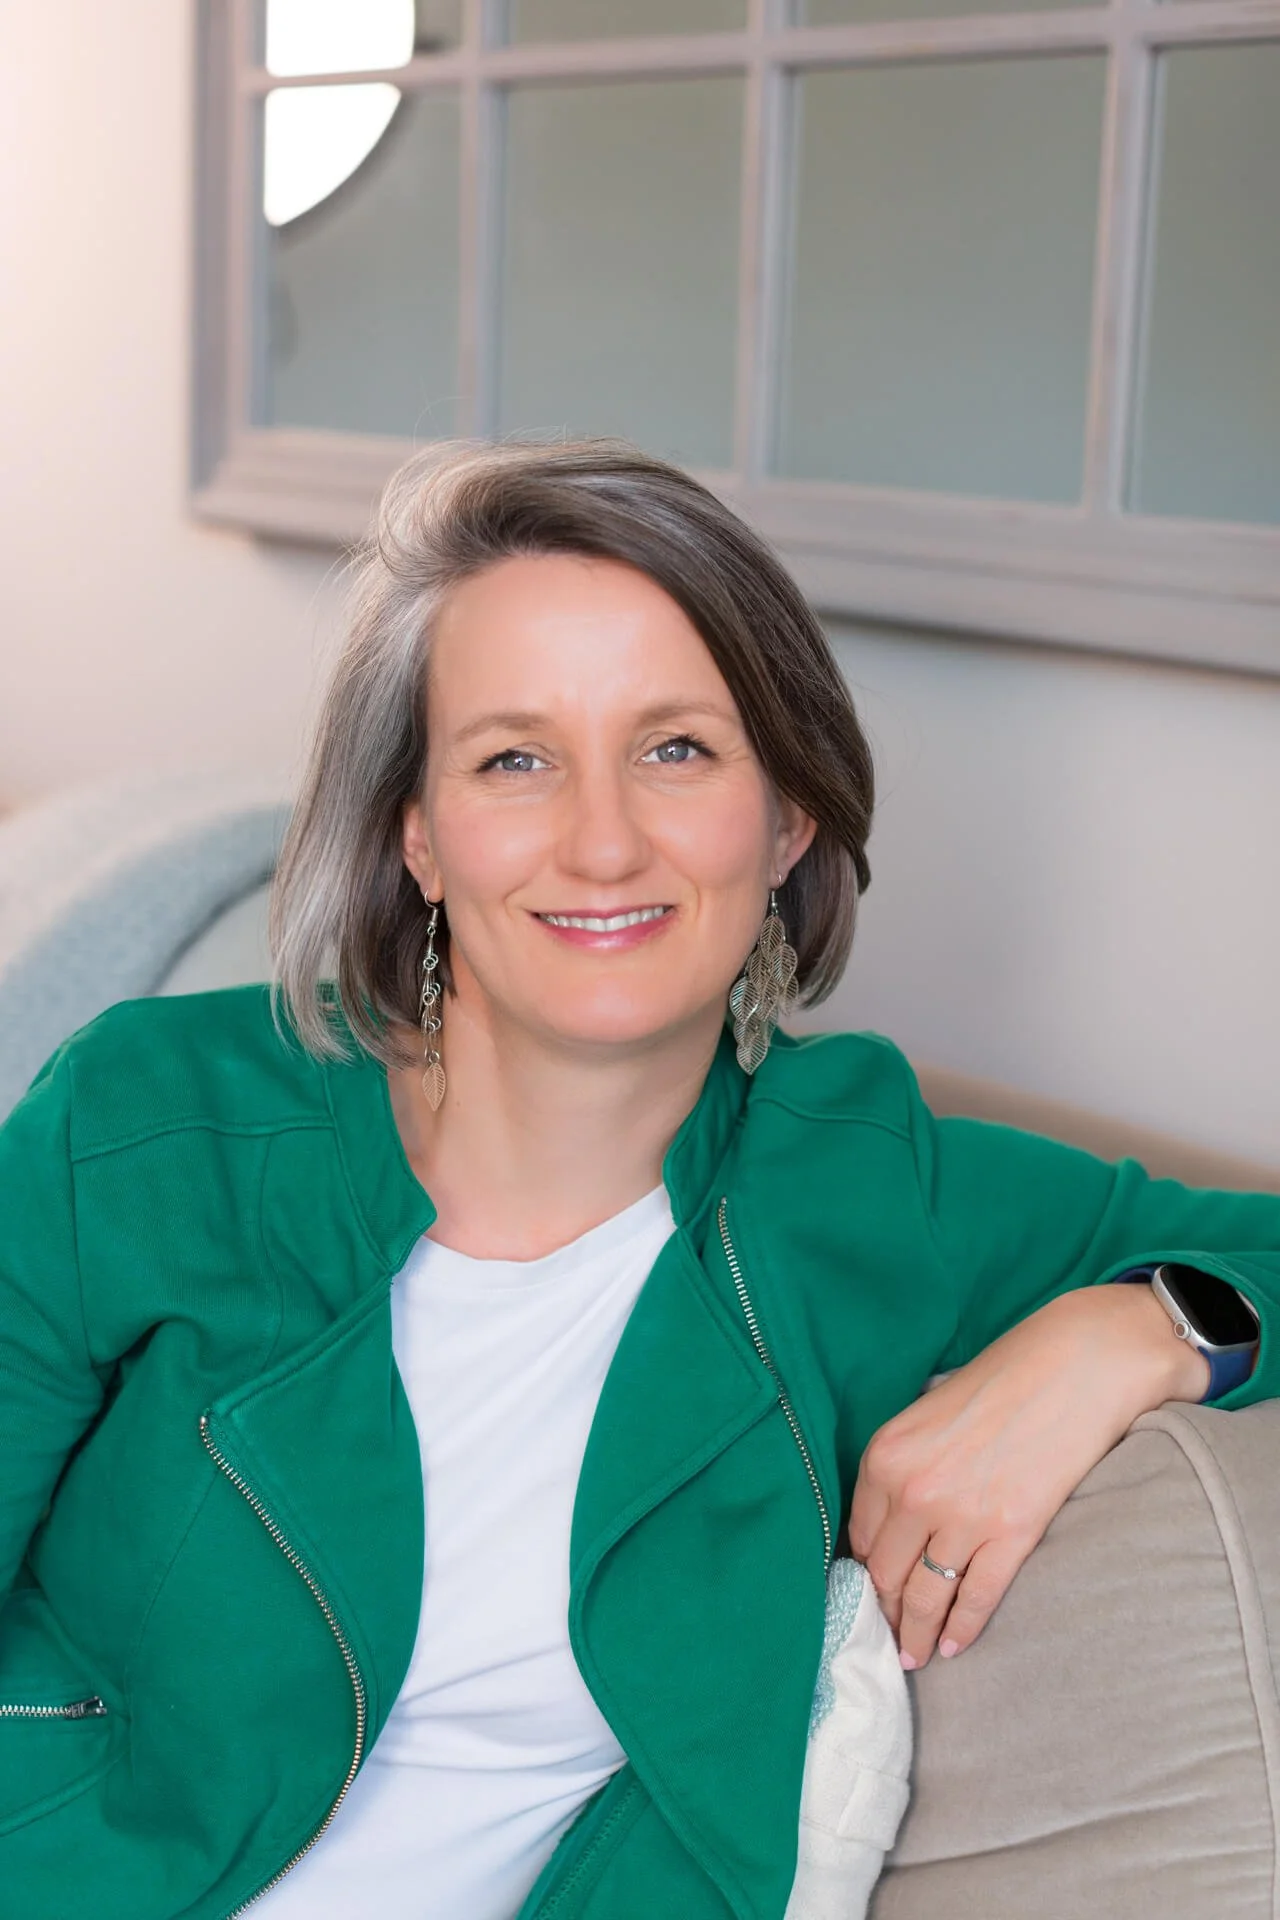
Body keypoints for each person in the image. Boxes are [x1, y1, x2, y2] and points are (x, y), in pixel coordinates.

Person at [1, 439, 1275, 1920]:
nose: (603, 842)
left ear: (787, 817)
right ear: (417, 834)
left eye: (676, 749)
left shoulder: (857, 1189)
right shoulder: (157, 1122)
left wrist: (1137, 1330)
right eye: (514, 759)